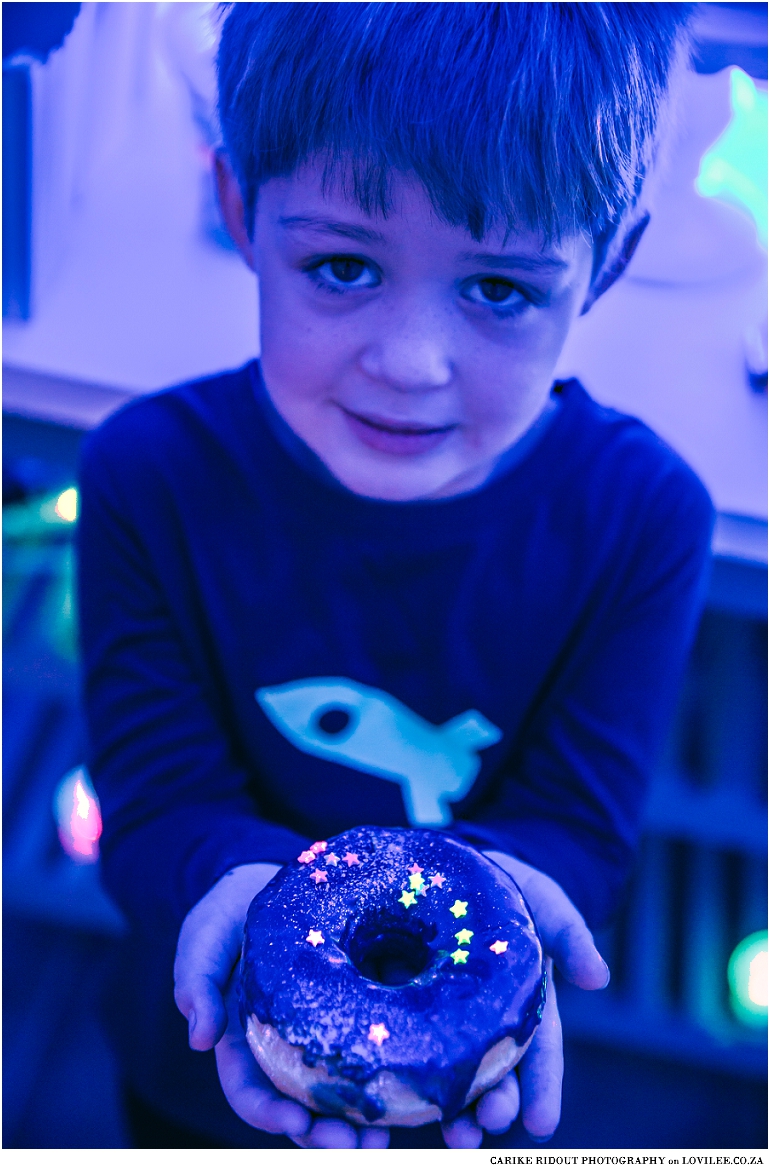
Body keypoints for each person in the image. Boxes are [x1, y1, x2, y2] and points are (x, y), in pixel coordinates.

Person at [77, 2, 713, 1150]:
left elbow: (574, 825)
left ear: (604, 264)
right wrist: (237, 901)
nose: (410, 363)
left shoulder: (644, 518)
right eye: (339, 265)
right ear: (238, 209)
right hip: (194, 1053)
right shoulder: (146, 475)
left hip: (459, 1078)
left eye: (500, 291)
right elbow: (157, 810)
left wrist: (518, 904)